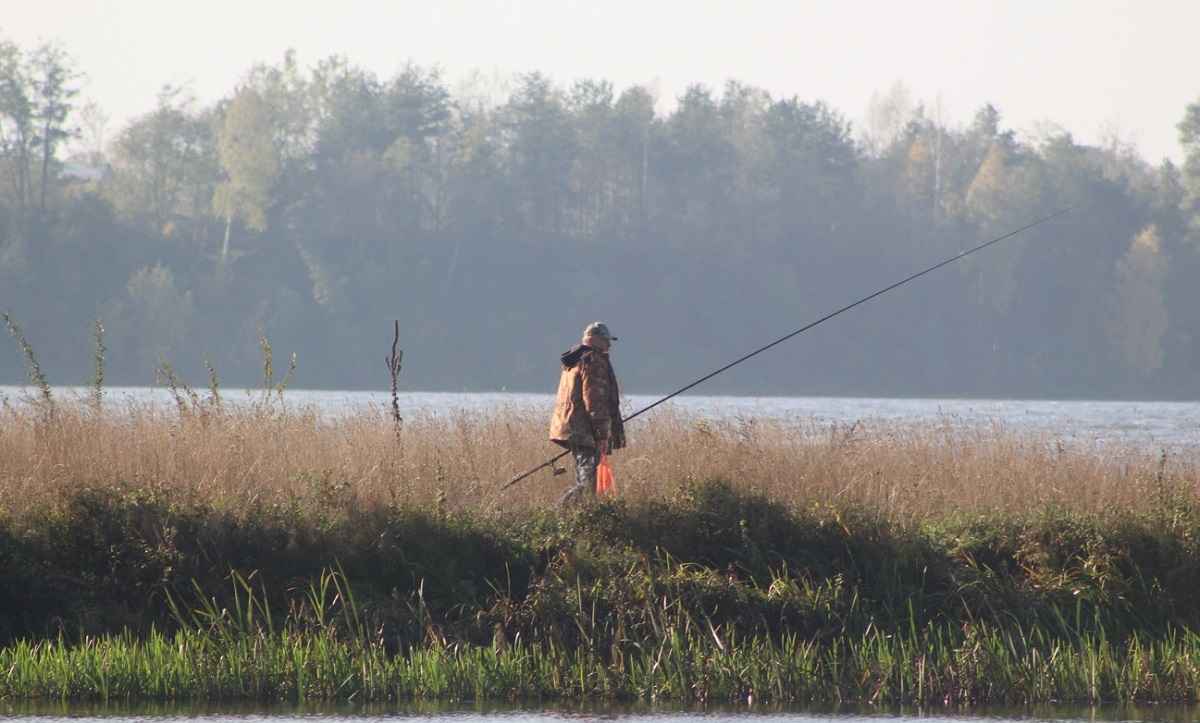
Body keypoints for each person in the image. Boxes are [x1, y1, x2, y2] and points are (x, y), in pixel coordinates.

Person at [548, 321, 626, 506]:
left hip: (572, 428)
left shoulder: (576, 359)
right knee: (588, 483)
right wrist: (602, 435)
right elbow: (595, 401)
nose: (609, 345)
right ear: (595, 339)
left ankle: (580, 514)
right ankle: (559, 511)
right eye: (606, 340)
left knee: (586, 478)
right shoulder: (593, 361)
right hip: (585, 431)